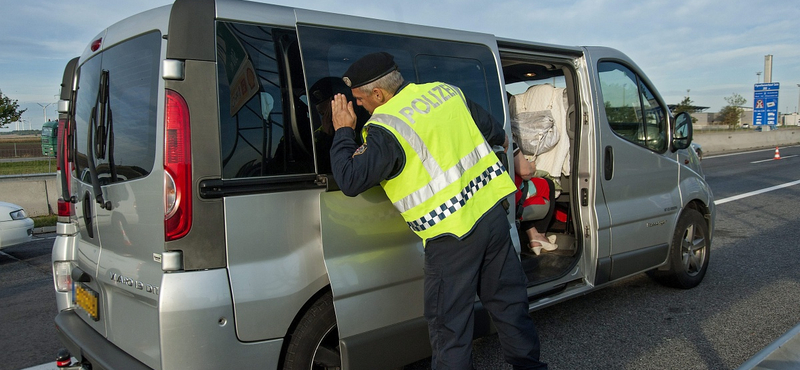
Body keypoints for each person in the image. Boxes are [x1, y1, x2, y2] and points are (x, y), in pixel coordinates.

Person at [330, 51, 547, 370]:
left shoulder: (385, 127)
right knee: (510, 308)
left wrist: (342, 131)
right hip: (492, 218)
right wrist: (514, 155)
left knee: (450, 331)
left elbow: (350, 179)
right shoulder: (446, 91)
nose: (359, 106)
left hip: (451, 237)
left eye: (360, 99)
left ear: (378, 93)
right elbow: (492, 129)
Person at [512, 144, 557, 255]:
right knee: (547, 184)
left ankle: (533, 235)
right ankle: (540, 236)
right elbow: (525, 172)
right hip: (513, 195)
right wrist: (531, 166)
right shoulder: (507, 141)